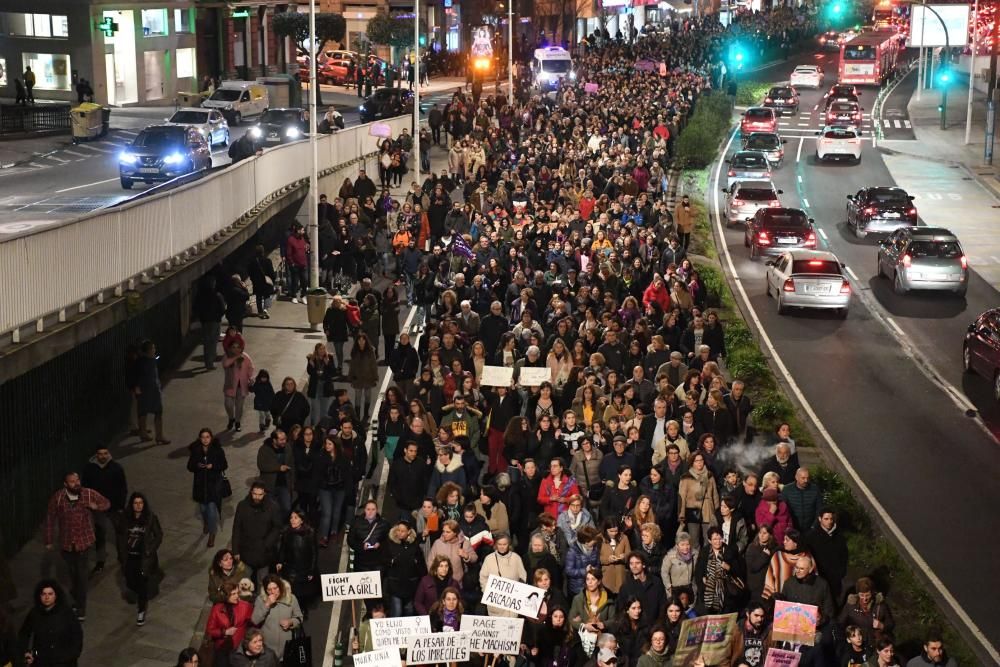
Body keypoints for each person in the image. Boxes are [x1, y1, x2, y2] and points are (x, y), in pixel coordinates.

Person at [44, 472, 111, 621]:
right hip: (67, 544)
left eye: (77, 480)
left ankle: (81, 608)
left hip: (84, 543)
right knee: (73, 575)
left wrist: (96, 506)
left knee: (81, 576)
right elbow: (50, 518)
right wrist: (48, 540)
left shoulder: (88, 494)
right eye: (72, 482)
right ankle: (76, 598)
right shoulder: (59, 498)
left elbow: (106, 502)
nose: (76, 483)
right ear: (65, 484)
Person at [116, 491, 163, 626]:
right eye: (136, 503)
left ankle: (141, 610)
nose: (138, 506)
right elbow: (120, 536)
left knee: (142, 583)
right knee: (130, 581)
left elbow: (158, 535)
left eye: (141, 503)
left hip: (143, 558)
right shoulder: (125, 519)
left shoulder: (150, 518)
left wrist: (150, 549)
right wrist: (121, 552)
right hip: (129, 556)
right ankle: (140, 595)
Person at [81, 445, 128, 575]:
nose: (103, 456)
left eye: (105, 453)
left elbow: (122, 488)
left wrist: (120, 506)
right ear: (96, 455)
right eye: (100, 454)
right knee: (100, 535)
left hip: (114, 507)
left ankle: (122, 557)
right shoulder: (89, 469)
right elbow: (85, 489)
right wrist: (89, 504)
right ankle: (100, 561)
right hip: (98, 508)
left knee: (119, 533)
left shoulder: (116, 468)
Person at [17, 581, 82, 667]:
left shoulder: (66, 613)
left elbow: (77, 635)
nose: (47, 597)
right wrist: (26, 652)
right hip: (41, 660)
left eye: (50, 594)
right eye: (43, 594)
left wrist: (72, 655)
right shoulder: (34, 613)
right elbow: (24, 634)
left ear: (56, 595)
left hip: (64, 662)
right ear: (39, 596)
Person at [231, 481, 283, 586]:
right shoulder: (242, 506)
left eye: (260, 495)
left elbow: (277, 527)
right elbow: (237, 528)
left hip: (264, 553)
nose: (257, 497)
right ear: (251, 492)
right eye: (255, 494)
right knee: (245, 583)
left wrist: (267, 544)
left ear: (265, 494)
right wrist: (235, 550)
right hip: (246, 550)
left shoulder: (272, 507)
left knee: (263, 583)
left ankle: (261, 601)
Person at [188, 428, 229, 547]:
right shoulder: (196, 451)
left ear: (211, 438)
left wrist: (213, 466)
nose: (205, 439)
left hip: (213, 486)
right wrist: (197, 465)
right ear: (200, 439)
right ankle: (206, 523)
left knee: (211, 511)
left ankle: (212, 533)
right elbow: (189, 467)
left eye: (207, 437)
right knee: (203, 509)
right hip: (200, 486)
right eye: (203, 437)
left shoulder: (218, 450)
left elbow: (224, 464)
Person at [251, 575, 303, 660]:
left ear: (281, 586)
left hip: (287, 646)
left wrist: (290, 622)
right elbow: (255, 620)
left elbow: (299, 617)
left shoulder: (291, 598)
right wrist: (267, 604)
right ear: (265, 590)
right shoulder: (260, 600)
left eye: (275, 588)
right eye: (269, 589)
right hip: (267, 648)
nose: (273, 592)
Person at [276, 509, 319, 609]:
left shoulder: (309, 533)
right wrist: (280, 562)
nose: (292, 520)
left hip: (304, 568)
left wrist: (311, 570)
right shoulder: (286, 532)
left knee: (302, 593)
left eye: (296, 518)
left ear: (302, 520)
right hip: (290, 568)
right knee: (291, 591)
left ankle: (302, 609)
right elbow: (282, 549)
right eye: (291, 518)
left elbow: (314, 553)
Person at [205, 582, 254, 666]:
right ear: (225, 596)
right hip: (222, 648)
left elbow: (254, 624)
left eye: (237, 593)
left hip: (238, 648)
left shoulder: (245, 606)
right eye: (233, 594)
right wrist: (224, 632)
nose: (237, 596)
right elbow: (210, 630)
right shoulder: (216, 609)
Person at [132, 340, 169, 444]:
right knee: (158, 412)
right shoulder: (149, 362)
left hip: (145, 390)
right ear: (148, 350)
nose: (154, 350)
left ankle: (143, 433)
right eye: (153, 348)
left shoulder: (140, 361)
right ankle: (159, 435)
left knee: (142, 412)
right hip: (151, 390)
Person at [257, 430, 296, 516]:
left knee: (287, 508)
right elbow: (261, 465)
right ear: (274, 440)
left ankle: (282, 526)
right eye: (281, 440)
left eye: (285, 439)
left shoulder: (287, 447)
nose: (284, 441)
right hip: (270, 485)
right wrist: (278, 468)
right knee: (271, 510)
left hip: (284, 484)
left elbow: (292, 464)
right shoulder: (264, 450)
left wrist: (292, 481)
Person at [194, 275, 227, 369]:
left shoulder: (200, 296)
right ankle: (210, 362)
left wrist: (201, 317)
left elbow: (196, 308)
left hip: (204, 321)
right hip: (215, 321)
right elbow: (222, 309)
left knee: (207, 342)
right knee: (213, 341)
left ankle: (208, 361)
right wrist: (218, 317)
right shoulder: (217, 295)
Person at [223, 339, 254, 432]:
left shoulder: (245, 356)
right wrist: (236, 357)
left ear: (241, 348)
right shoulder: (227, 356)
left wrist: (251, 377)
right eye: (234, 347)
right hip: (230, 385)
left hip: (242, 385)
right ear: (230, 348)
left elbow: (251, 367)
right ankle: (231, 418)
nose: (236, 349)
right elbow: (225, 364)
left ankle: (237, 422)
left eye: (238, 347)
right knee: (228, 404)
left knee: (239, 406)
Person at [349, 333, 379, 422]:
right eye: (359, 340)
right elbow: (352, 365)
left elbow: (374, 365)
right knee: (357, 397)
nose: (361, 342)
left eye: (363, 340)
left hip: (368, 377)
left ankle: (366, 413)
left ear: (366, 341)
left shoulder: (370, 351)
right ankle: (357, 415)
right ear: (357, 341)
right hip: (357, 378)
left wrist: (375, 376)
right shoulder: (354, 351)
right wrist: (350, 377)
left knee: (367, 396)